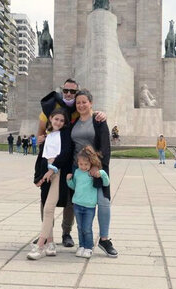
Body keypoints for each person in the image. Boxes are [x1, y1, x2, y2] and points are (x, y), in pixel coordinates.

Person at [37, 79, 106, 248]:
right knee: (46, 200)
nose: (68, 94)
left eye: (72, 92)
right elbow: (40, 136)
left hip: (71, 162)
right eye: (65, 90)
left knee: (70, 199)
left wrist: (102, 114)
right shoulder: (48, 110)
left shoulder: (77, 109)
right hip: (51, 163)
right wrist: (40, 140)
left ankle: (66, 233)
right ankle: (46, 234)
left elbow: (88, 113)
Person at [70, 89, 117, 257]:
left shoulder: (98, 120)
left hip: (96, 169)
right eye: (78, 102)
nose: (81, 105)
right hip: (78, 169)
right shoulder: (73, 121)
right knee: (82, 204)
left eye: (84, 102)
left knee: (103, 202)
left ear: (91, 103)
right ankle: (84, 242)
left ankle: (104, 239)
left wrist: (99, 167)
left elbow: (105, 145)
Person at [28, 109, 71, 260]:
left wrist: (52, 171)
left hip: (57, 173)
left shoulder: (65, 135)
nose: (58, 122)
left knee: (48, 208)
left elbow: (66, 153)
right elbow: (41, 158)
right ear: (51, 119)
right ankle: (51, 243)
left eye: (62, 120)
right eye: (56, 119)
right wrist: (37, 177)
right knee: (47, 208)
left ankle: (40, 245)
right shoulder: (46, 136)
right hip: (45, 174)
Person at [67, 146, 109, 259]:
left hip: (89, 206)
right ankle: (81, 246)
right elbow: (74, 186)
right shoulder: (77, 172)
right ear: (78, 163)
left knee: (87, 227)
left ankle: (88, 247)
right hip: (77, 204)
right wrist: (68, 180)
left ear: (91, 163)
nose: (83, 167)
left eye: (86, 164)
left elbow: (106, 183)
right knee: (80, 227)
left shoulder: (93, 173)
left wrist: (102, 174)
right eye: (81, 164)